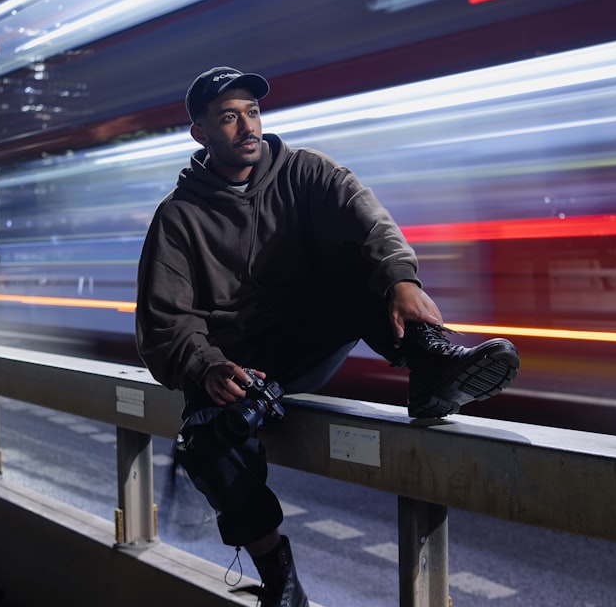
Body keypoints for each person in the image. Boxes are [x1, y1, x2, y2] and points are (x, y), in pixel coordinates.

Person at [135, 66, 520, 606]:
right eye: (228, 117)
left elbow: (368, 219)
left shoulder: (305, 173)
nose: (246, 126)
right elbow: (164, 324)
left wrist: (400, 278)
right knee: (209, 445)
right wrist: (205, 365)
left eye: (252, 112)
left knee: (359, 255)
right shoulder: (178, 219)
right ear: (200, 133)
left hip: (305, 339)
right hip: (236, 366)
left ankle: (431, 364)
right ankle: (278, 574)